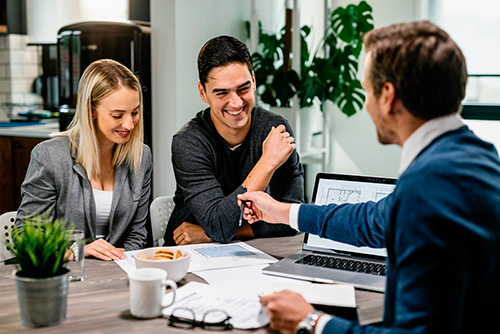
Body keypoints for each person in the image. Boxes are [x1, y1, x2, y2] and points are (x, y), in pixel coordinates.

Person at [238, 21, 500, 333]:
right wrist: (281, 211)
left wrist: (311, 321)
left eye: (366, 89)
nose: (365, 103)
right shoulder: (474, 155)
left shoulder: (430, 186)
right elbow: (374, 220)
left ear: (388, 96)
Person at [163, 35, 303, 246]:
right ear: (203, 92)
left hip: (253, 252)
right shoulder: (188, 142)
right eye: (221, 93)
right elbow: (219, 224)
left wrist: (212, 232)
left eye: (243, 88)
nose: (236, 103)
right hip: (191, 254)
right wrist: (267, 163)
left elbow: (292, 217)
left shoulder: (275, 131)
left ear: (254, 82)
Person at [16, 59, 152, 261]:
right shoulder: (50, 156)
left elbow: (137, 233)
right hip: (65, 274)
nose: (129, 124)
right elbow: (26, 237)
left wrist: (116, 265)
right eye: (117, 115)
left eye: (135, 112)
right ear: (91, 111)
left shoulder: (141, 157)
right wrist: (76, 252)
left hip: (118, 272)